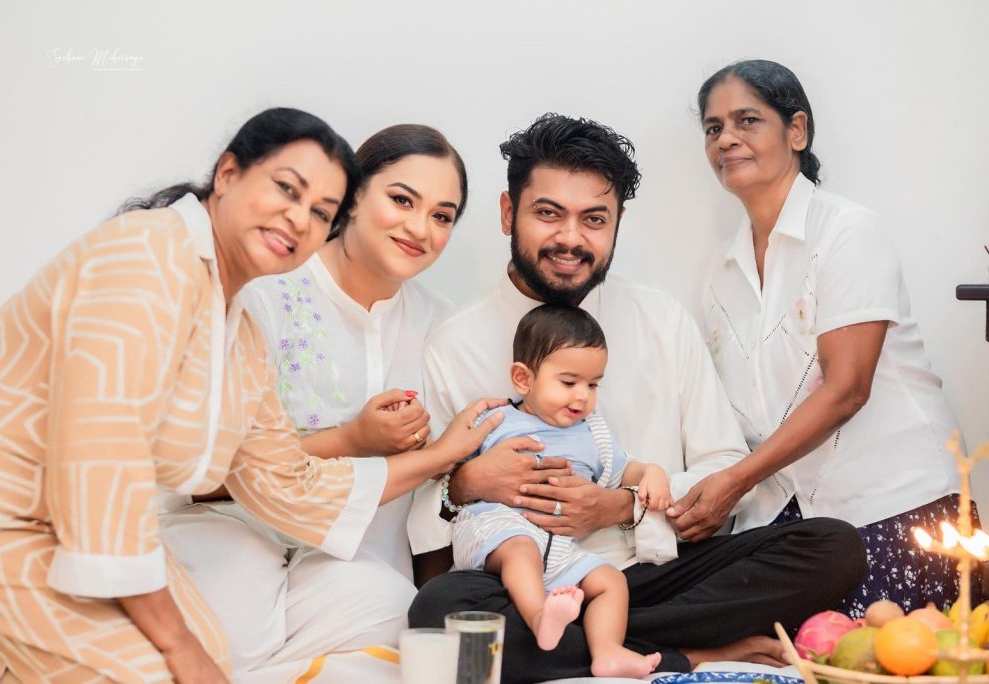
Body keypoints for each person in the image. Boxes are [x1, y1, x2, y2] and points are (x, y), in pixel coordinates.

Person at [0, 107, 502, 683]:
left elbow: (282, 480)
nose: (299, 219)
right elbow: (103, 470)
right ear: (227, 174)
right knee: (170, 667)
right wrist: (177, 644)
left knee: (227, 655)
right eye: (286, 189)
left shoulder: (238, 325)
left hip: (80, 543)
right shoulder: (149, 256)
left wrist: (443, 456)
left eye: (320, 211)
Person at [407, 112, 867, 684]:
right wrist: (463, 484)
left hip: (652, 573)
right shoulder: (454, 342)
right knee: (440, 609)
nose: (570, 238)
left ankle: (596, 640)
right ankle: (684, 654)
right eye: (548, 213)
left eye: (594, 219)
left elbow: (724, 469)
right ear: (508, 213)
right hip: (524, 581)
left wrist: (621, 507)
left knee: (833, 547)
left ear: (617, 222)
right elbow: (425, 511)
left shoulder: (661, 320)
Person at [160, 124, 470, 682]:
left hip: (341, 571)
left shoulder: (444, 326)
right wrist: (354, 441)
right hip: (225, 535)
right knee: (234, 632)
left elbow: (446, 486)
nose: (420, 228)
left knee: (401, 618)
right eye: (402, 200)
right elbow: (200, 479)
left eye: (442, 216)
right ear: (353, 196)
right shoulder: (265, 292)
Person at [685, 59, 972, 617]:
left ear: (797, 130)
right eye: (713, 127)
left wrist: (734, 482)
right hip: (792, 525)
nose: (726, 139)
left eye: (747, 120)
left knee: (894, 658)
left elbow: (847, 389)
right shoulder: (719, 271)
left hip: (894, 506)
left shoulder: (846, 231)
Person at [452, 304, 673, 678]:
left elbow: (627, 470)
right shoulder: (496, 420)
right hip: (496, 529)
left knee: (611, 581)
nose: (583, 396)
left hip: (558, 549)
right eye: (569, 383)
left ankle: (608, 651)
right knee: (521, 547)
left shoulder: (594, 434)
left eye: (593, 384)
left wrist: (654, 472)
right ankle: (540, 618)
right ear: (523, 379)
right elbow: (449, 471)